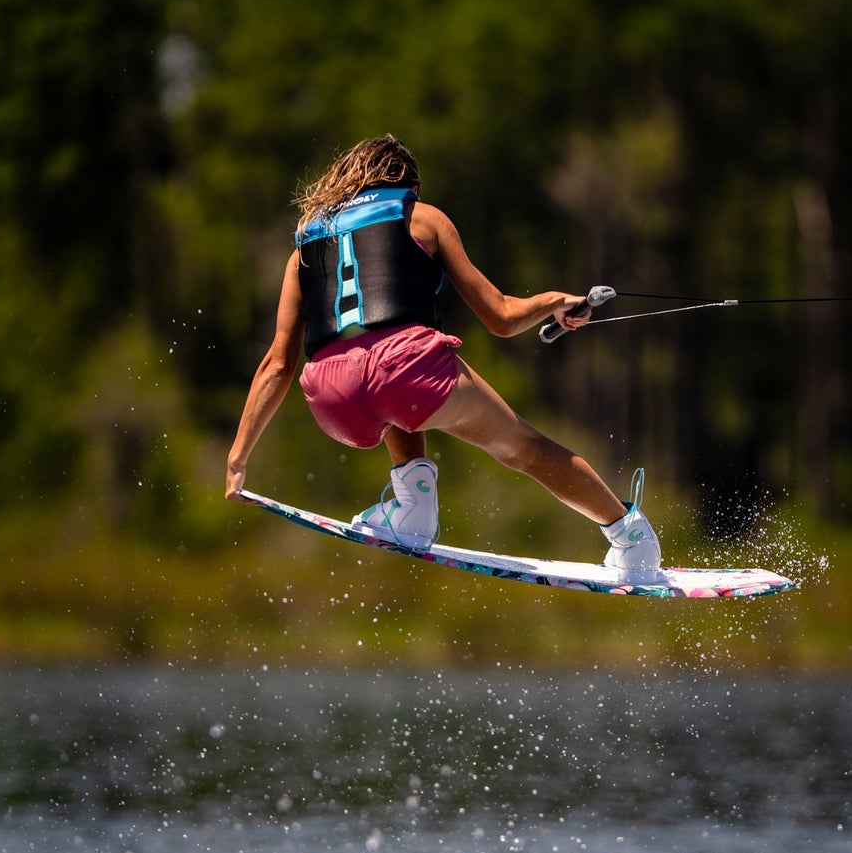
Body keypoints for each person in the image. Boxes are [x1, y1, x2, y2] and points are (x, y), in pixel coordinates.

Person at [225, 134, 662, 579]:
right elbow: (502, 319)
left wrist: (238, 459)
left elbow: (278, 364)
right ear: (409, 185)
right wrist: (554, 300)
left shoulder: (303, 249)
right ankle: (632, 538)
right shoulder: (423, 217)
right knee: (524, 448)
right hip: (409, 373)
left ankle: (413, 506)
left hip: (332, 398)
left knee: (387, 398)